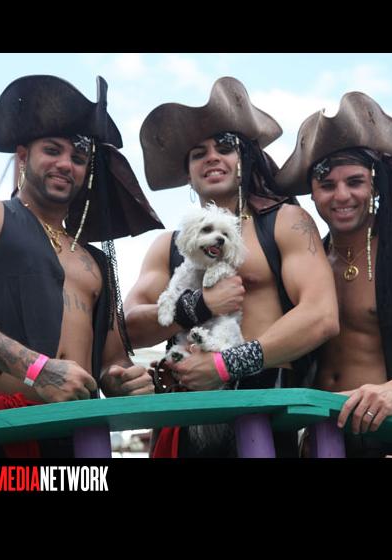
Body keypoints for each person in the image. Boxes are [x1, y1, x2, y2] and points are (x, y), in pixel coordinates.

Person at [0, 75, 164, 458]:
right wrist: (36, 369)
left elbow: (112, 359)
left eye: (78, 159)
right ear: (22, 156)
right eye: (52, 150)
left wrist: (122, 379)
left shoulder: (96, 261)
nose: (66, 164)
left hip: (79, 432)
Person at [125, 77, 339, 457]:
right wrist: (198, 305)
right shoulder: (167, 245)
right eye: (198, 153)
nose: (212, 157)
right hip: (186, 410)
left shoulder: (286, 222)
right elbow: (127, 328)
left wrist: (227, 364)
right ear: (188, 173)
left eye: (225, 147)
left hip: (263, 408)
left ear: (245, 160)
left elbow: (321, 316)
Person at [274, 91, 392, 457]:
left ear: (375, 186)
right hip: (320, 439)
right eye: (327, 185)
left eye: (354, 182)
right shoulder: (307, 264)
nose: (341, 195)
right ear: (312, 194)